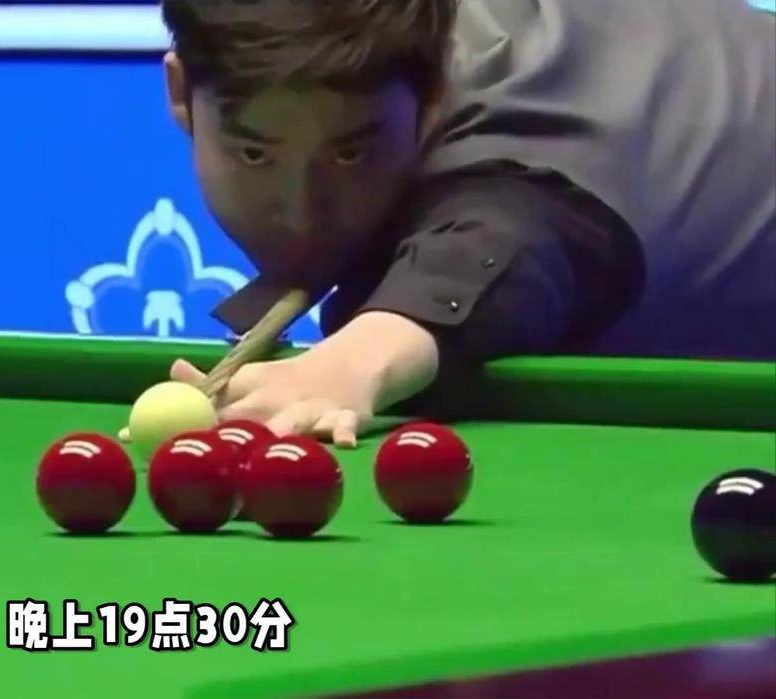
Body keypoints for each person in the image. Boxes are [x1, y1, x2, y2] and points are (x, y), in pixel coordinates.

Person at [158, 0, 776, 446]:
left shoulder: (509, 148)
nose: (301, 210)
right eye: (255, 154)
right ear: (181, 91)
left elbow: (507, 239)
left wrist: (345, 368)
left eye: (350, 155)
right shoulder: (403, 58)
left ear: (432, 100)